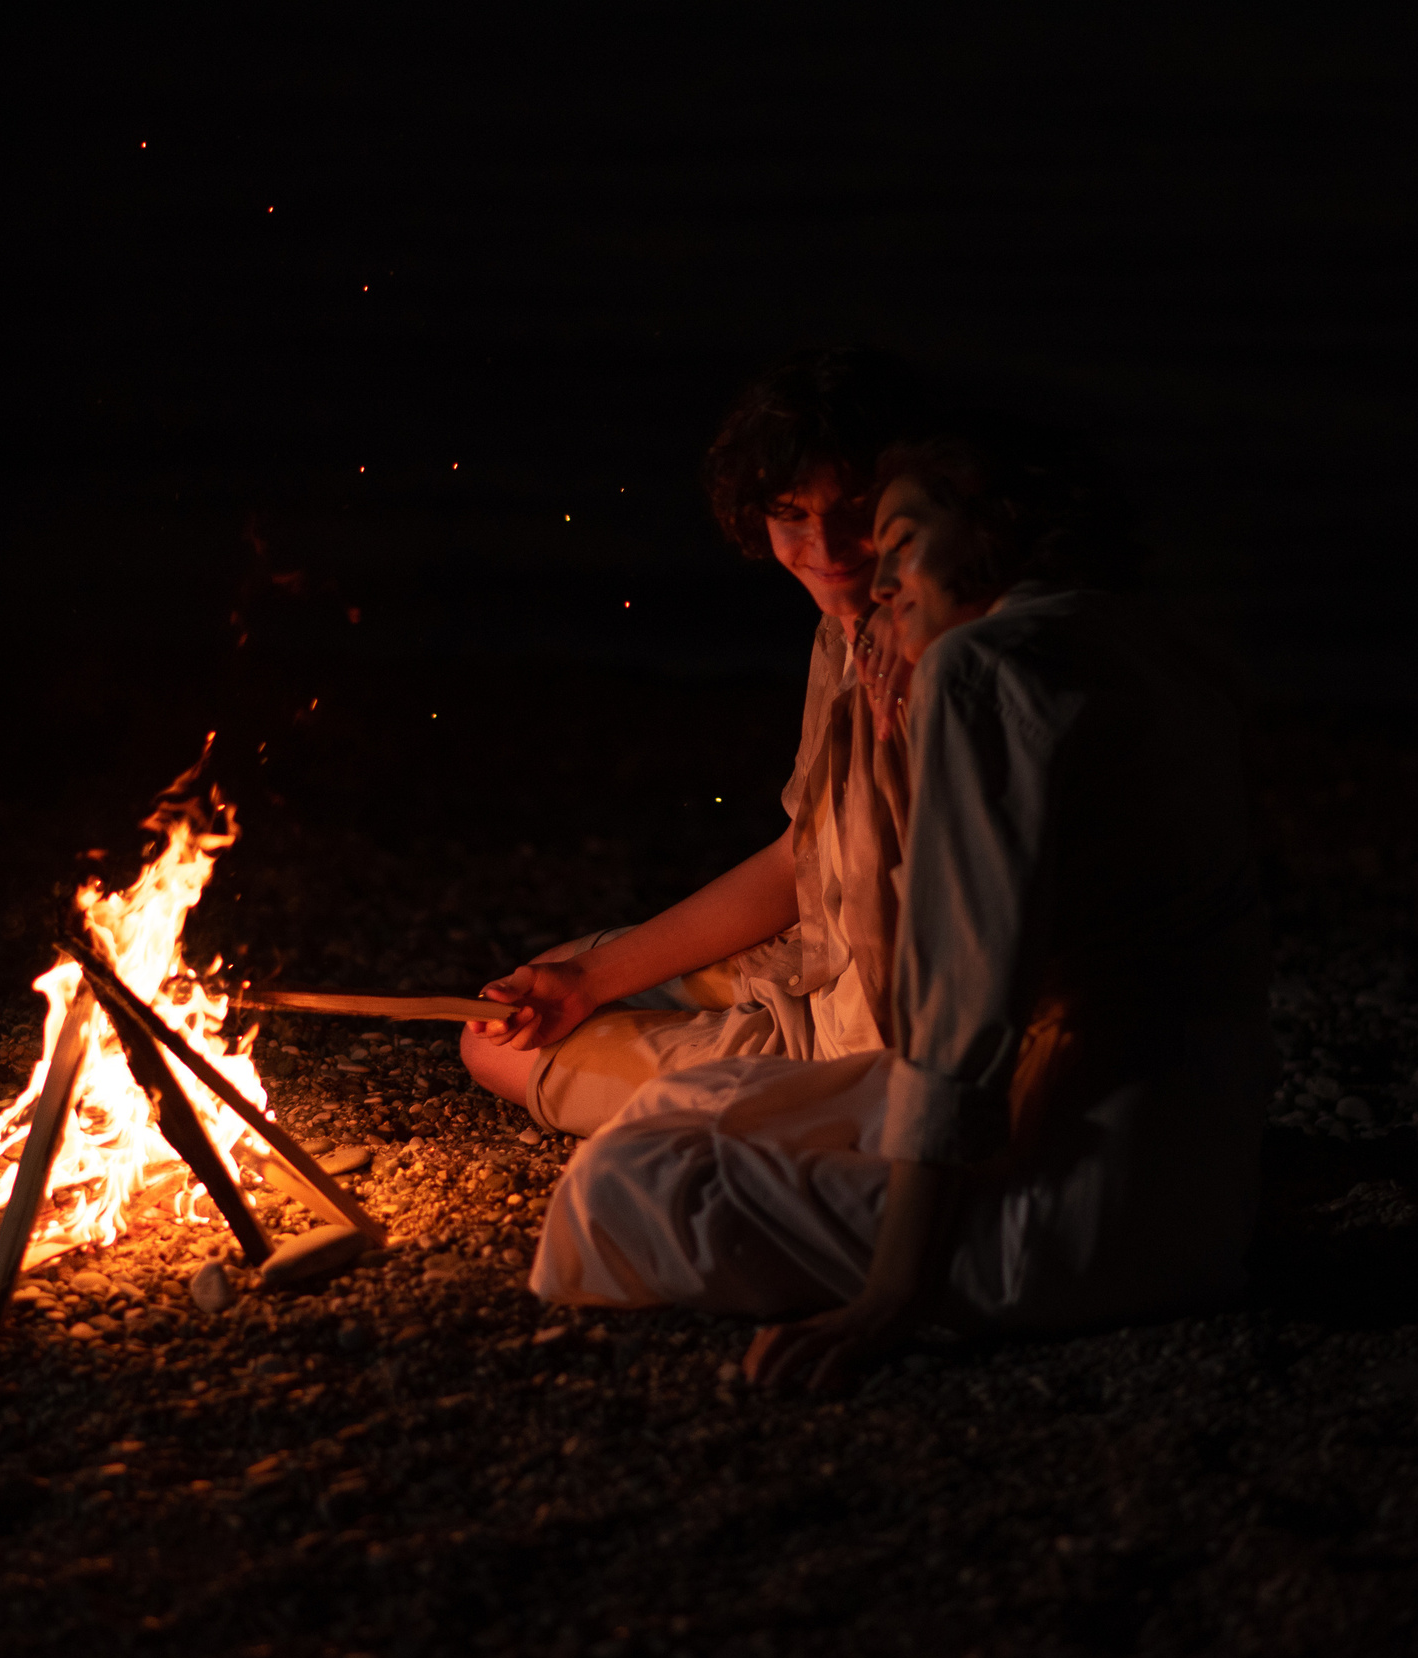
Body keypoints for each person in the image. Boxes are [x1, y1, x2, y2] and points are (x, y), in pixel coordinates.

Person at [528, 421, 1274, 1389]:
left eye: (903, 538)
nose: (875, 575)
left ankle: (936, 1251)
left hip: (1088, 1210)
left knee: (626, 1181)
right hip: (1213, 1179)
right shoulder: (1154, 639)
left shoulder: (982, 665)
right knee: (691, 1099)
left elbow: (961, 1010)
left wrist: (891, 1294)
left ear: (996, 528)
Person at [459, 347, 929, 1136]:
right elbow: (800, 860)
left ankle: (807, 1119)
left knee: (495, 1050)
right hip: (814, 953)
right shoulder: (844, 631)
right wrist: (587, 977)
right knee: (541, 988)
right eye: (793, 515)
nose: (829, 544)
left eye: (856, 509)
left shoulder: (933, 666)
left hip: (862, 1051)